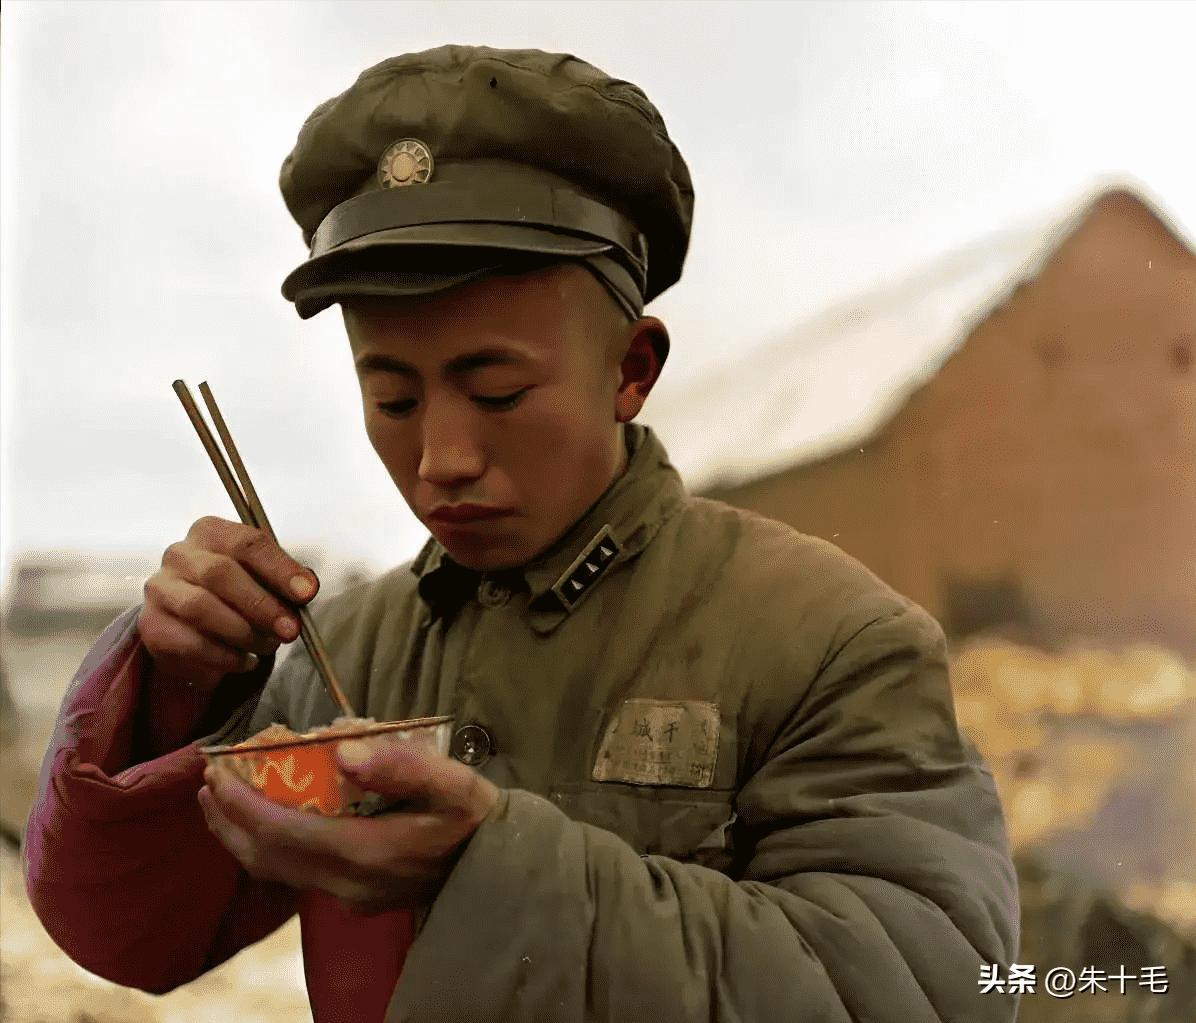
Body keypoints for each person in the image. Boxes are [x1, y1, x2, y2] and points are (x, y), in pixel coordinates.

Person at [23, 46, 1019, 1022]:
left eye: (495, 390)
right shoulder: (348, 653)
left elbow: (929, 989)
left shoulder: (825, 637)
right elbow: (133, 939)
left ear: (629, 369)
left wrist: (488, 870)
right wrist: (175, 690)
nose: (441, 457)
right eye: (393, 397)